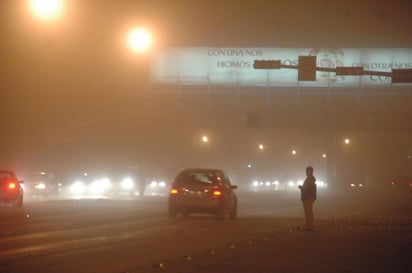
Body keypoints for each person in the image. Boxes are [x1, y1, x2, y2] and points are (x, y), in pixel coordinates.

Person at [298, 166, 317, 231]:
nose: (306, 172)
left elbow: (308, 189)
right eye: (306, 171)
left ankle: (310, 225)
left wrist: (301, 188)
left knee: (308, 212)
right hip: (309, 197)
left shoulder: (310, 179)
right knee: (308, 212)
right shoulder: (310, 179)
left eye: (307, 171)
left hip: (308, 197)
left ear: (310, 172)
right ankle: (308, 225)